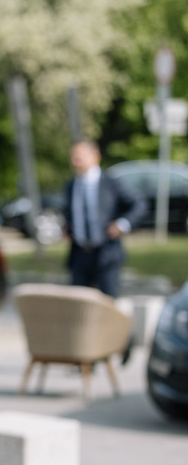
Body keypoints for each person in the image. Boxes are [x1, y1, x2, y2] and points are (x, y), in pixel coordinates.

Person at [63, 140, 146, 363]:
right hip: (80, 253)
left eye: (80, 156)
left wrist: (122, 224)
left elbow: (139, 204)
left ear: (94, 157)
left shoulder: (110, 183)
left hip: (106, 253)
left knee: (109, 306)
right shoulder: (71, 185)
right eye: (74, 156)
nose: (75, 161)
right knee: (79, 307)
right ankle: (86, 357)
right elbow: (70, 214)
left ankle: (124, 342)